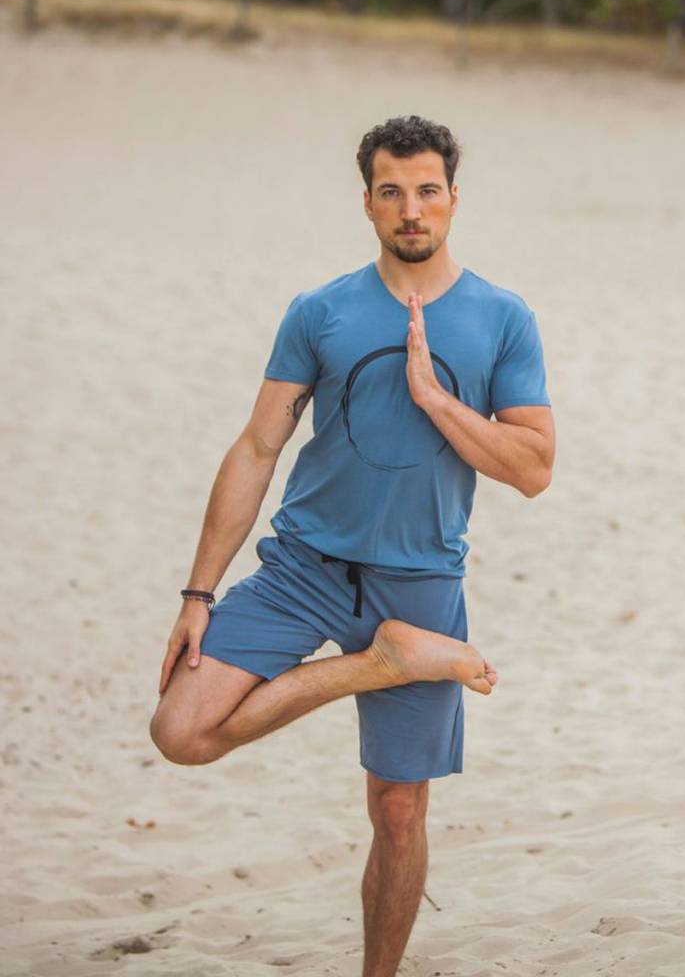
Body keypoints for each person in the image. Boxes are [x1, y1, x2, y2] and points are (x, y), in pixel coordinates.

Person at [149, 114, 555, 977]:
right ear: (367, 203)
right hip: (305, 567)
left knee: (398, 812)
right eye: (391, 192)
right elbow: (257, 448)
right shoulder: (320, 311)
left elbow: (534, 469)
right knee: (181, 730)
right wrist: (198, 593)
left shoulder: (502, 317)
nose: (412, 210)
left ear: (454, 199)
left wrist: (436, 400)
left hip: (421, 581)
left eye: (427, 191)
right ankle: (382, 663)